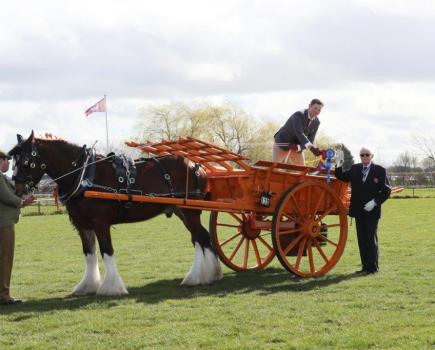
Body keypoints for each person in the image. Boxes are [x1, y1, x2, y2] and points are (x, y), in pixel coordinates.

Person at [335, 147, 391, 274]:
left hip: (372, 211)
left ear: (372, 156)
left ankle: (373, 268)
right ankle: (365, 267)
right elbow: (342, 176)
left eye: (367, 155)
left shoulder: (380, 170)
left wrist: (375, 202)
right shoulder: (355, 168)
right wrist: (339, 164)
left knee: (370, 238)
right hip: (358, 210)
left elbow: (387, 191)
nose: (364, 157)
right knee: (362, 239)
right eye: (362, 155)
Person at [0, 150, 34, 305]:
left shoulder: (3, 178)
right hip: (4, 224)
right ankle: (4, 295)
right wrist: (23, 202)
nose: (8, 163)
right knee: (5, 259)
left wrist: (24, 195)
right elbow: (7, 197)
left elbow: (12, 192)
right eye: (7, 160)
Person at [273, 98, 324, 165]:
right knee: (275, 169)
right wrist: (311, 147)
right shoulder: (298, 115)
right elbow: (299, 133)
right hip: (282, 143)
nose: (317, 111)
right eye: (315, 108)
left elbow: (310, 141)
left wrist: (299, 147)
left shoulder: (317, 122)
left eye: (319, 110)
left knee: (302, 169)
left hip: (297, 148)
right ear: (309, 106)